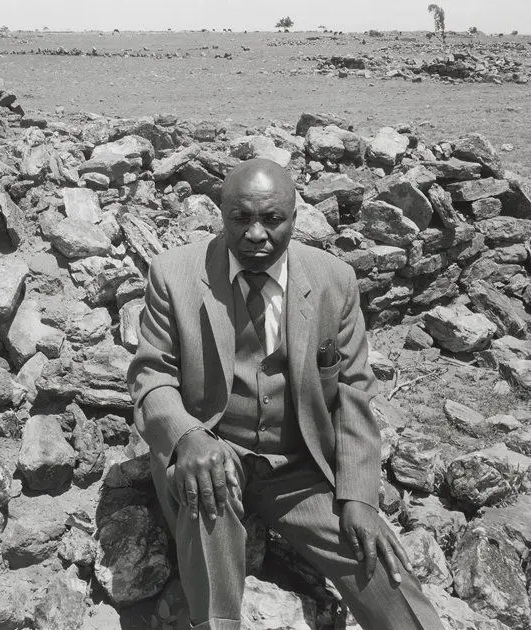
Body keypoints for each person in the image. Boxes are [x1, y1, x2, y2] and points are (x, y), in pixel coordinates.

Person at [127, 158, 444, 630]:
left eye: (271, 219)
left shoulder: (334, 282)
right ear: (222, 213)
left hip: (300, 469)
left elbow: (353, 393)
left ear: (295, 218)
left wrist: (359, 496)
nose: (256, 234)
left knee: (381, 568)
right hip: (217, 449)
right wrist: (188, 438)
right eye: (241, 218)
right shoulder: (174, 275)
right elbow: (151, 377)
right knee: (203, 487)